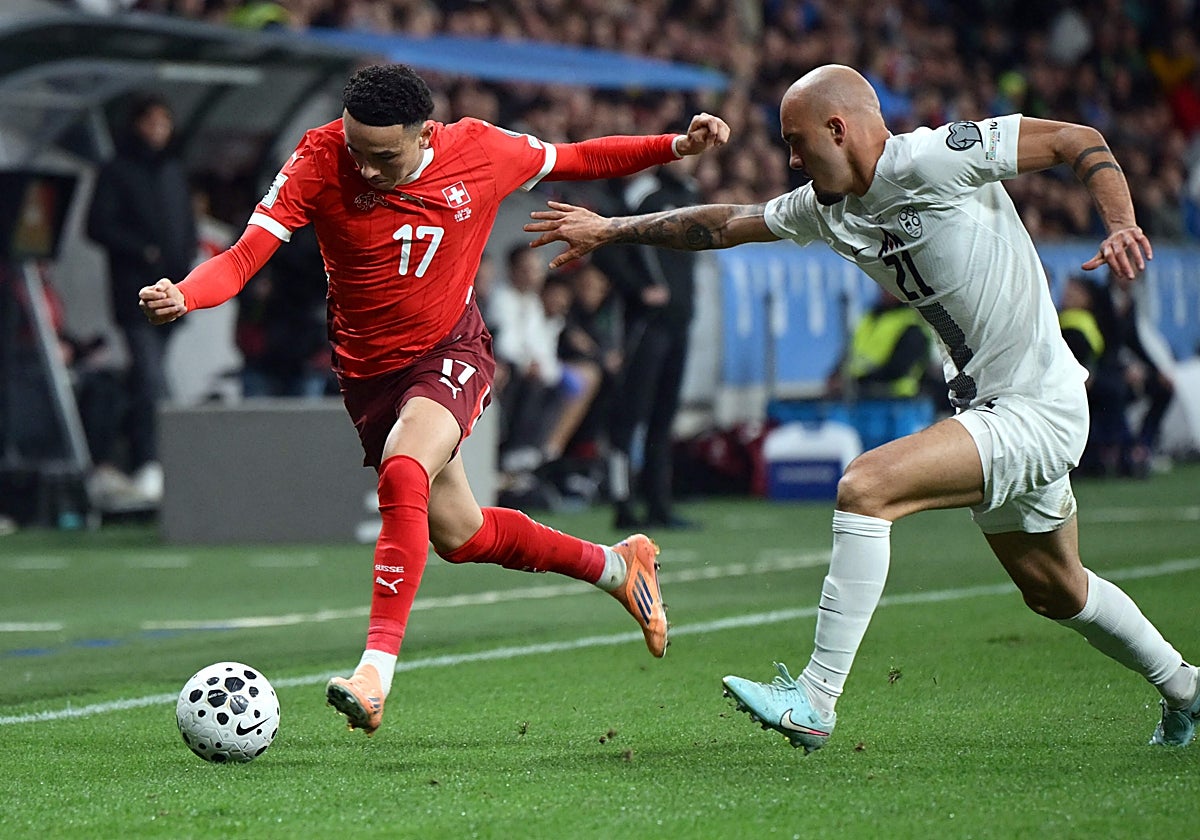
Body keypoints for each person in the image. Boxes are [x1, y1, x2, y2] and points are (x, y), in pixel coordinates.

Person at [526, 64, 1200, 751]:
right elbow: (725, 223)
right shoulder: (827, 206)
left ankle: (814, 700)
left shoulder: (936, 157)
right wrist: (613, 229)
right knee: (1058, 590)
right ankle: (1186, 689)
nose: (791, 159)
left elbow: (1075, 139)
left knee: (865, 487)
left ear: (838, 129)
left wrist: (1120, 223)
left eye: (796, 142)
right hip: (991, 406)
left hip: (1037, 406)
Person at [138, 64, 729, 736]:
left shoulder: (480, 150)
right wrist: (187, 292)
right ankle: (618, 566)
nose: (362, 168)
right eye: (355, 149)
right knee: (461, 535)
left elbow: (580, 156)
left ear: (425, 133)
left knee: (403, 466)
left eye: (382, 155)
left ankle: (374, 674)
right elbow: (244, 257)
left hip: (450, 352)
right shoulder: (317, 156)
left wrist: (673, 147)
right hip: (367, 377)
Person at [87, 92, 197, 508]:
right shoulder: (117, 170)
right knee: (153, 379)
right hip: (136, 295)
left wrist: (184, 262)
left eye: (164, 122)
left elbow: (185, 223)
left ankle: (135, 457)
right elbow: (97, 225)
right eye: (151, 122)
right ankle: (153, 461)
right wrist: (143, 251)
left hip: (174, 292)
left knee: (148, 379)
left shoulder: (172, 169)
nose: (159, 130)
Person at [605, 160, 704, 530]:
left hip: (679, 323)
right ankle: (622, 502)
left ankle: (658, 504)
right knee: (630, 416)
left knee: (663, 418)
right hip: (647, 325)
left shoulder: (691, 194)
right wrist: (639, 289)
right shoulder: (644, 195)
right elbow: (610, 246)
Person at [828, 287, 932, 401]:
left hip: (898, 401)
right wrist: (836, 375)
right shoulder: (870, 317)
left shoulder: (911, 323)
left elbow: (897, 369)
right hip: (862, 396)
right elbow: (851, 351)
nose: (885, 290)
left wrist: (857, 382)